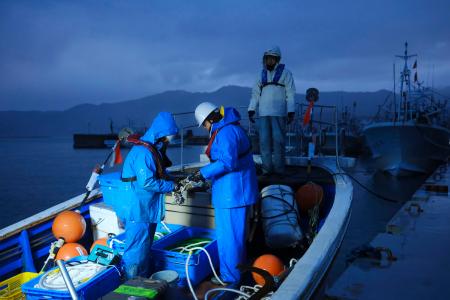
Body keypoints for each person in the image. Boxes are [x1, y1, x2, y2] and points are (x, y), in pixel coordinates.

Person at [191, 102, 258, 284]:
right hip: (235, 191)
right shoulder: (231, 128)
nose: (205, 128)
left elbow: (228, 162)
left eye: (204, 124)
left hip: (232, 194)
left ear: (209, 119)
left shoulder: (226, 132)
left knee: (230, 238)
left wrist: (202, 173)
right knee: (234, 236)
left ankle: (230, 279)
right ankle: (237, 271)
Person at [120, 112, 179, 279]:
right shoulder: (143, 152)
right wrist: (171, 186)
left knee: (143, 248)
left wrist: (173, 179)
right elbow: (147, 182)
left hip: (145, 207)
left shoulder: (152, 149)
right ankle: (131, 286)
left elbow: (158, 173)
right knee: (136, 251)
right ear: (161, 134)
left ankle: (142, 281)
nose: (169, 140)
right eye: (168, 137)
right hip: (138, 209)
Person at [248, 46, 296, 175]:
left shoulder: (286, 73)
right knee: (264, 142)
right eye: (267, 58)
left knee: (279, 143)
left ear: (277, 59)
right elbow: (255, 94)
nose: (269, 61)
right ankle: (267, 170)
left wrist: (291, 111)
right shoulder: (260, 75)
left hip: (279, 114)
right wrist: (251, 109)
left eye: (271, 59)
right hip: (263, 113)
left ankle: (280, 170)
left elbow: (290, 94)